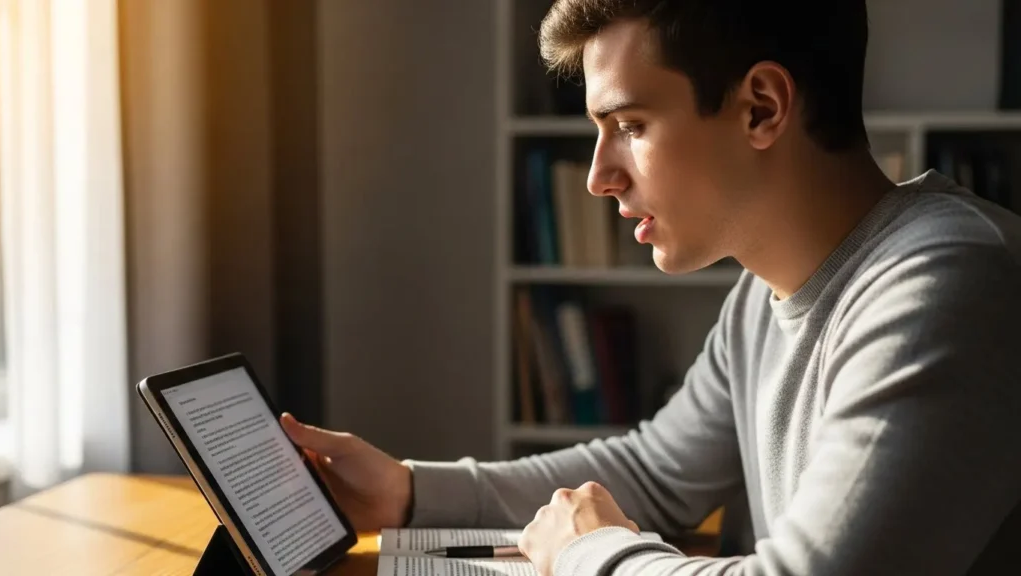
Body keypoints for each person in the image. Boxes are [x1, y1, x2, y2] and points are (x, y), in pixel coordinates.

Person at [282, 0, 1021, 574]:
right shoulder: (759, 301)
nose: (601, 175)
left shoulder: (948, 284)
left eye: (629, 124)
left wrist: (583, 555)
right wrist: (408, 493)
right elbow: (656, 474)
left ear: (762, 106)